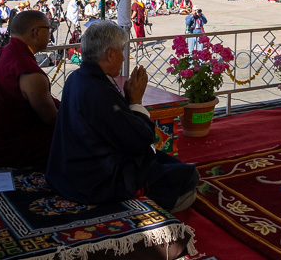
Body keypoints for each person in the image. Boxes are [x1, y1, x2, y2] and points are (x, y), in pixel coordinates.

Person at [46, 21, 197, 212]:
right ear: (110, 54)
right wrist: (135, 101)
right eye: (121, 51)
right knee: (186, 177)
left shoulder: (76, 78)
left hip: (69, 171)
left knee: (168, 163)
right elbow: (139, 140)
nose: (124, 58)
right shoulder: (99, 91)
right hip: (94, 181)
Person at [0, 10, 58, 169]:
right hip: (3, 153)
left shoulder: (2, 52)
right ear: (36, 32)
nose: (50, 33)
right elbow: (52, 120)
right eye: (48, 29)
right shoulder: (30, 73)